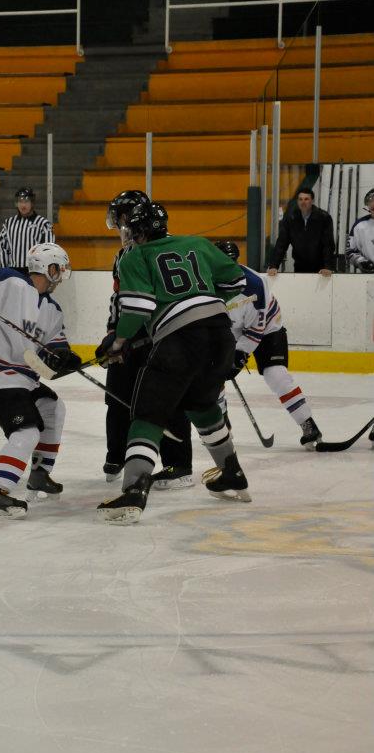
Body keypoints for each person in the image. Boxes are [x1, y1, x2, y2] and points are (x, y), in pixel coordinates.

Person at [95, 203, 251, 524]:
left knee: (147, 413)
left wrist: (120, 342)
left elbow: (137, 309)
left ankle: (135, 489)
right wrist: (200, 298)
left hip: (180, 339)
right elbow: (237, 281)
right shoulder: (196, 243)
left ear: (138, 232)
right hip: (220, 334)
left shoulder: (135, 256)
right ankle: (231, 472)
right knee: (202, 406)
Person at [0, 243, 81, 519]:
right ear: (48, 267)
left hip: (22, 377)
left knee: (53, 407)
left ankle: (39, 474)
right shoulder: (9, 280)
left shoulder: (53, 310)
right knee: (27, 432)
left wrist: (65, 358)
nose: (61, 276)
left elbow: (54, 349)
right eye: (59, 269)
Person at [100, 189, 194, 490]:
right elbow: (120, 298)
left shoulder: (164, 247)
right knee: (117, 392)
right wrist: (113, 332)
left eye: (121, 219)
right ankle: (118, 454)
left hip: (163, 334)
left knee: (168, 398)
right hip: (132, 331)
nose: (119, 227)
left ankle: (178, 464)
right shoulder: (124, 254)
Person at [215, 241, 323, 448]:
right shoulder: (205, 284)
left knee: (276, 375)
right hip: (228, 331)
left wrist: (240, 354)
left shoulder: (255, 283)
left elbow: (257, 327)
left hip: (268, 329)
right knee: (213, 375)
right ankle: (220, 425)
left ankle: (307, 423)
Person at [267, 187, 335, 276]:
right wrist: (274, 266)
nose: (303, 202)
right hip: (299, 267)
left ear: (312, 201)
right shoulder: (290, 218)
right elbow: (281, 244)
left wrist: (328, 267)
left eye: (306, 199)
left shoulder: (324, 218)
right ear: (297, 201)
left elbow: (328, 244)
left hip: (321, 269)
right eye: (300, 199)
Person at [0, 186, 54, 273]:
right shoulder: (8, 223)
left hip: (35, 272)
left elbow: (48, 249)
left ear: (32, 203)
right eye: (20, 201)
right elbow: (2, 247)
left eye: (26, 201)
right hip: (14, 271)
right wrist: (4, 270)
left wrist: (43, 271)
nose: (23, 205)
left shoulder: (43, 224)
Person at [346, 187, 374, 272]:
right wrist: (361, 262)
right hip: (368, 276)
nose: (373, 203)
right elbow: (350, 251)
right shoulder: (359, 225)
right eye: (370, 201)